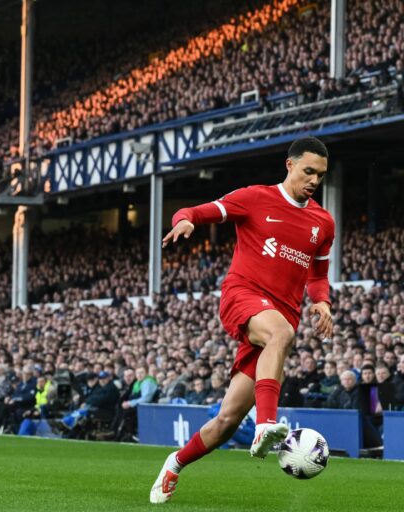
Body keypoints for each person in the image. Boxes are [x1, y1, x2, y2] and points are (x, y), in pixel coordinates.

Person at [150, 137, 335, 504]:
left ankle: (175, 463)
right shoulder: (254, 198)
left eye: (320, 175)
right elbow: (194, 211)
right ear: (290, 166)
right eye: (308, 171)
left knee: (226, 422)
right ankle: (267, 425)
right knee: (282, 333)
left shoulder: (323, 222)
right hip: (243, 295)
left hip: (279, 320)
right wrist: (184, 221)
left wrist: (323, 303)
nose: (314, 180)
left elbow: (318, 274)